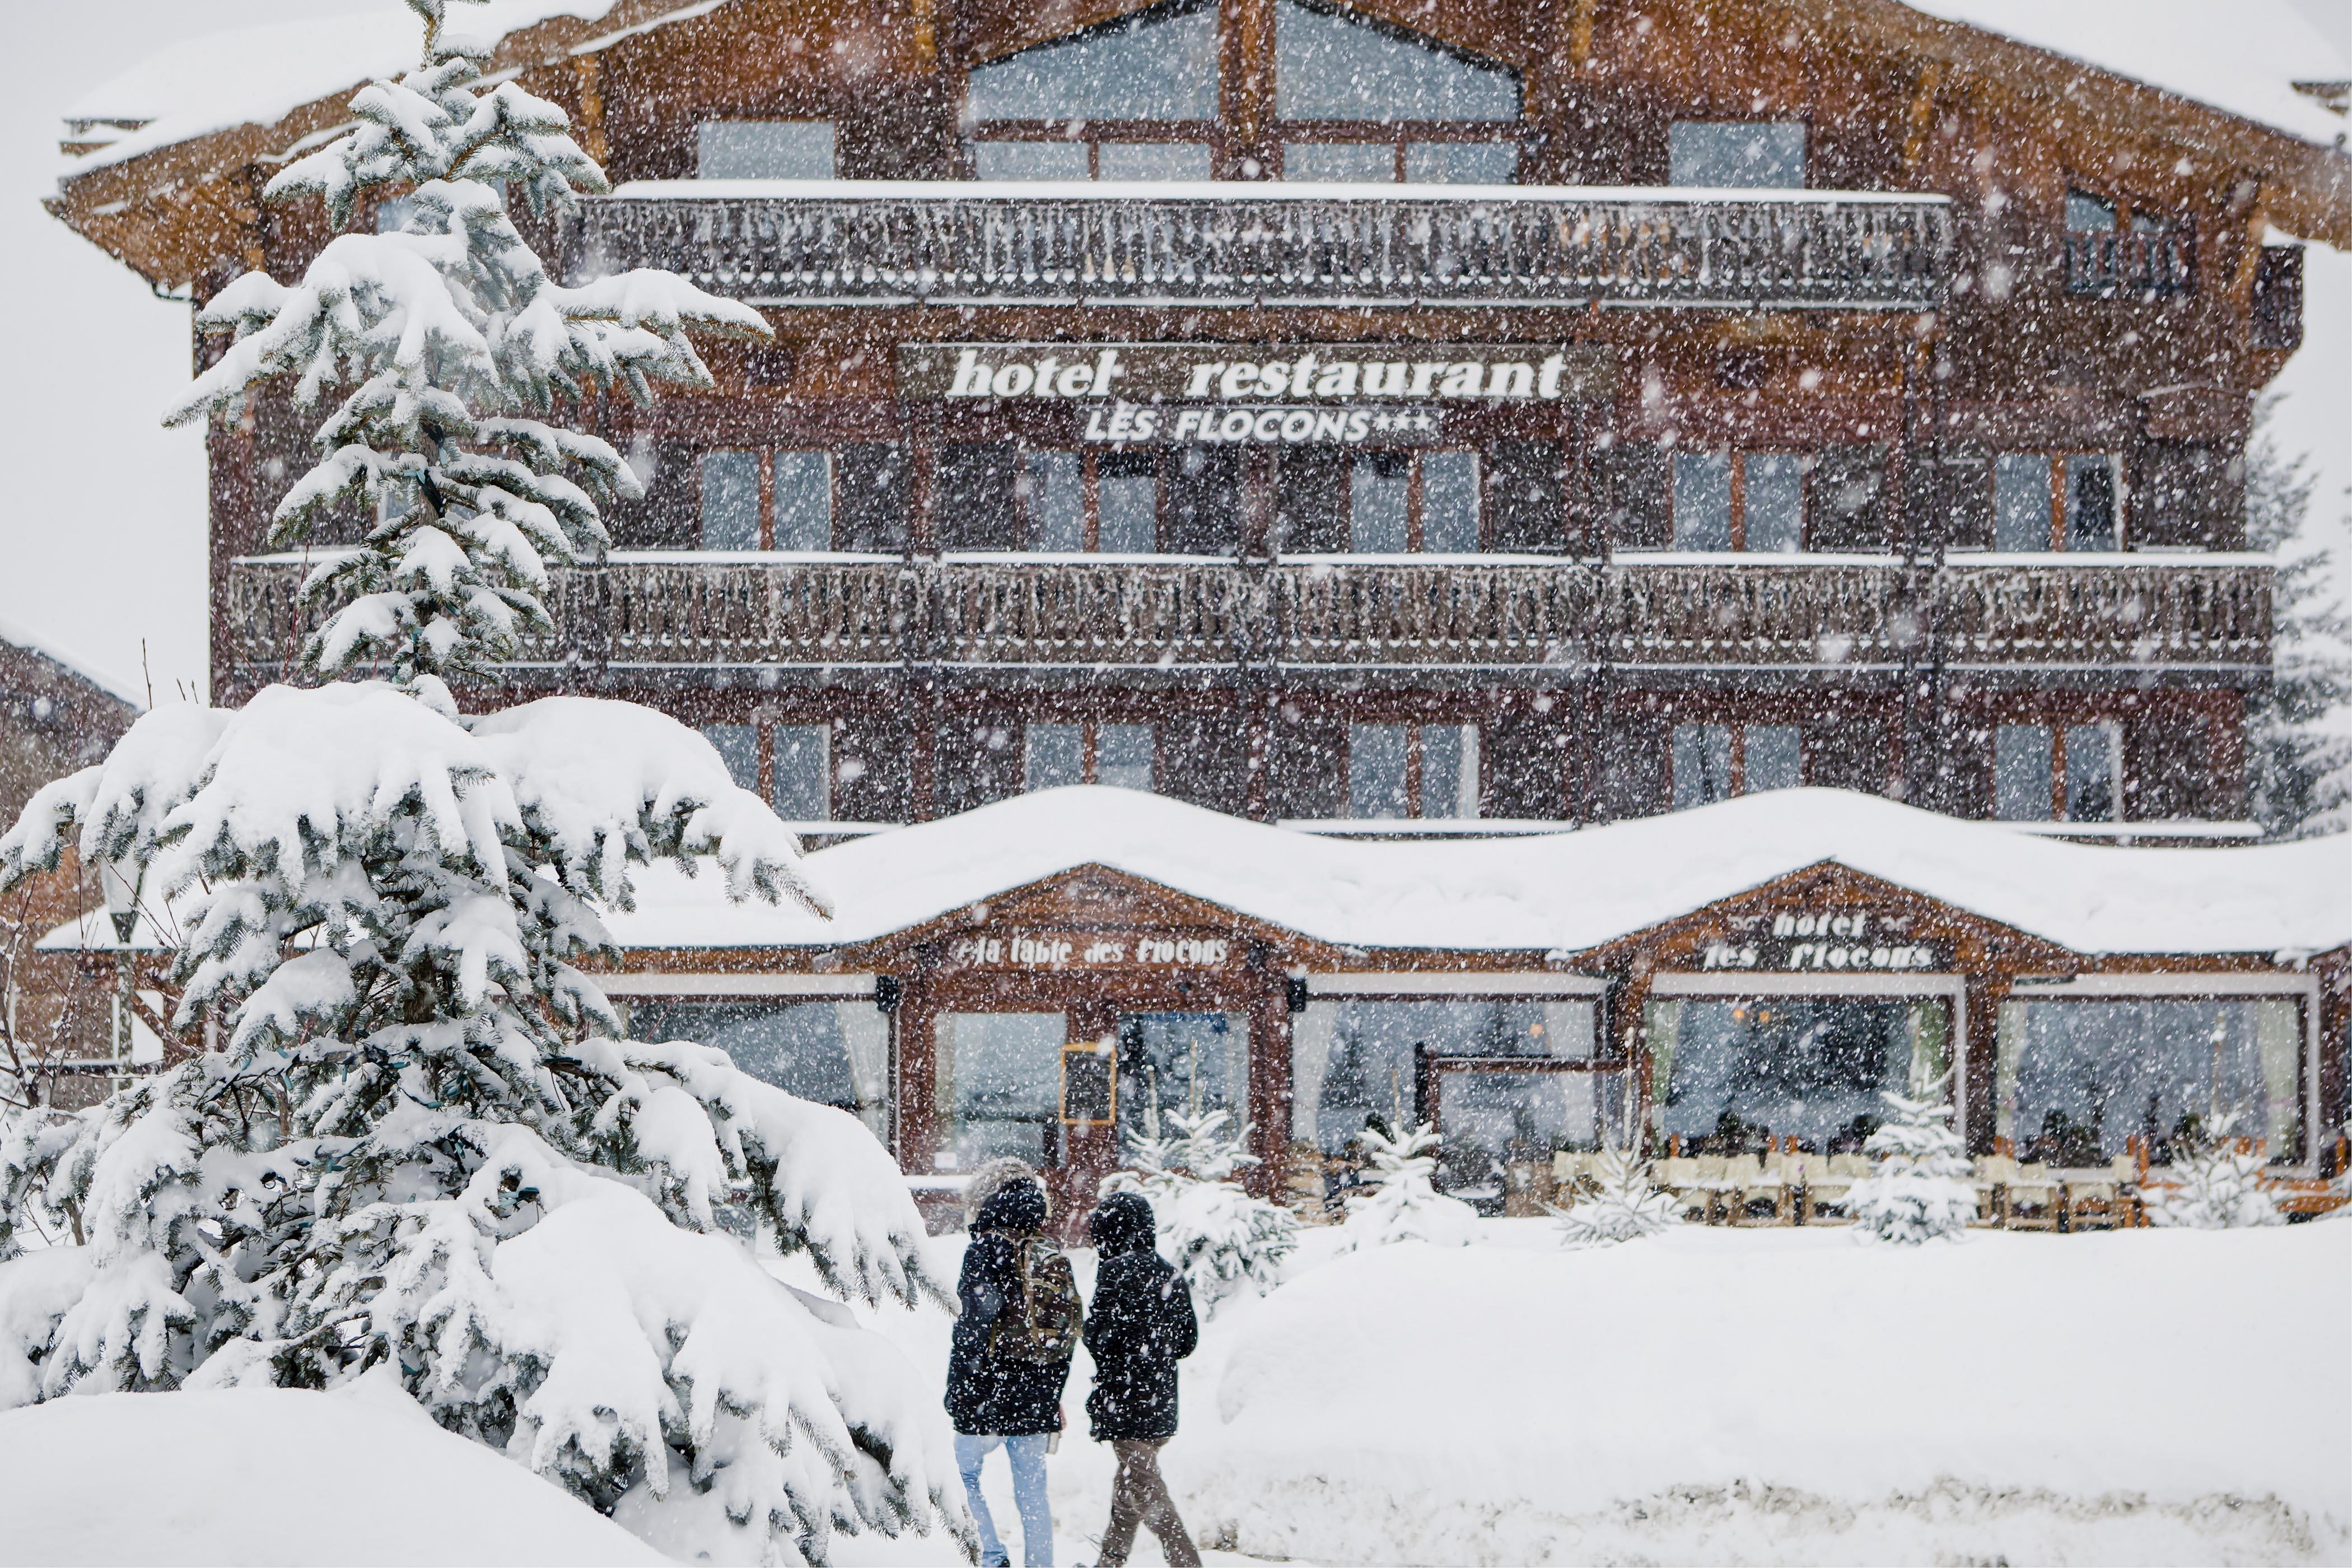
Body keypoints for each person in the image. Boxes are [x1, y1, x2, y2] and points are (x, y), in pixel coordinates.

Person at [948, 1168, 1080, 1568]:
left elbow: (973, 1325)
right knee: (1032, 1491)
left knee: (960, 1478)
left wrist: (961, 1390)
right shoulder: (1049, 1251)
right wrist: (1051, 1396)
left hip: (989, 1390)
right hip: (1037, 1393)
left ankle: (991, 1557)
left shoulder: (986, 1250)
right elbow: (1069, 1333)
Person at [1077, 1192, 1202, 1568]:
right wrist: (1154, 1350)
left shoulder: (1113, 1272)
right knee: (1130, 1485)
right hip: (1160, 1402)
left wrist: (1123, 1350)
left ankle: (1188, 1564)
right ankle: (1109, 1564)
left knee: (1143, 1488)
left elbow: (1097, 1338)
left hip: (1124, 1401)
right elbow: (1187, 1342)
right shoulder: (1169, 1273)